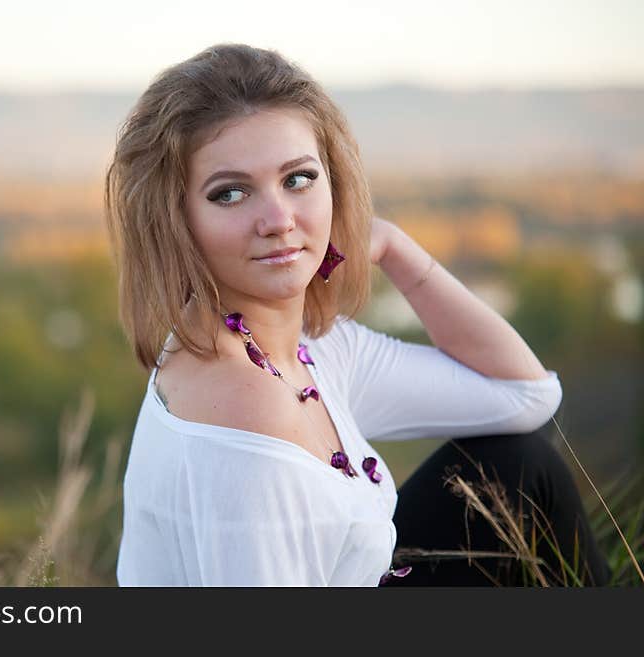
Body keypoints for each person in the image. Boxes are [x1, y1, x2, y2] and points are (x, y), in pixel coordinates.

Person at [104, 43, 612, 586]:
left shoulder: (308, 350)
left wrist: (393, 247)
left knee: (519, 469)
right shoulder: (246, 404)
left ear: (334, 184)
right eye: (230, 194)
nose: (278, 219)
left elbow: (526, 398)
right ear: (176, 220)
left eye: (297, 179)